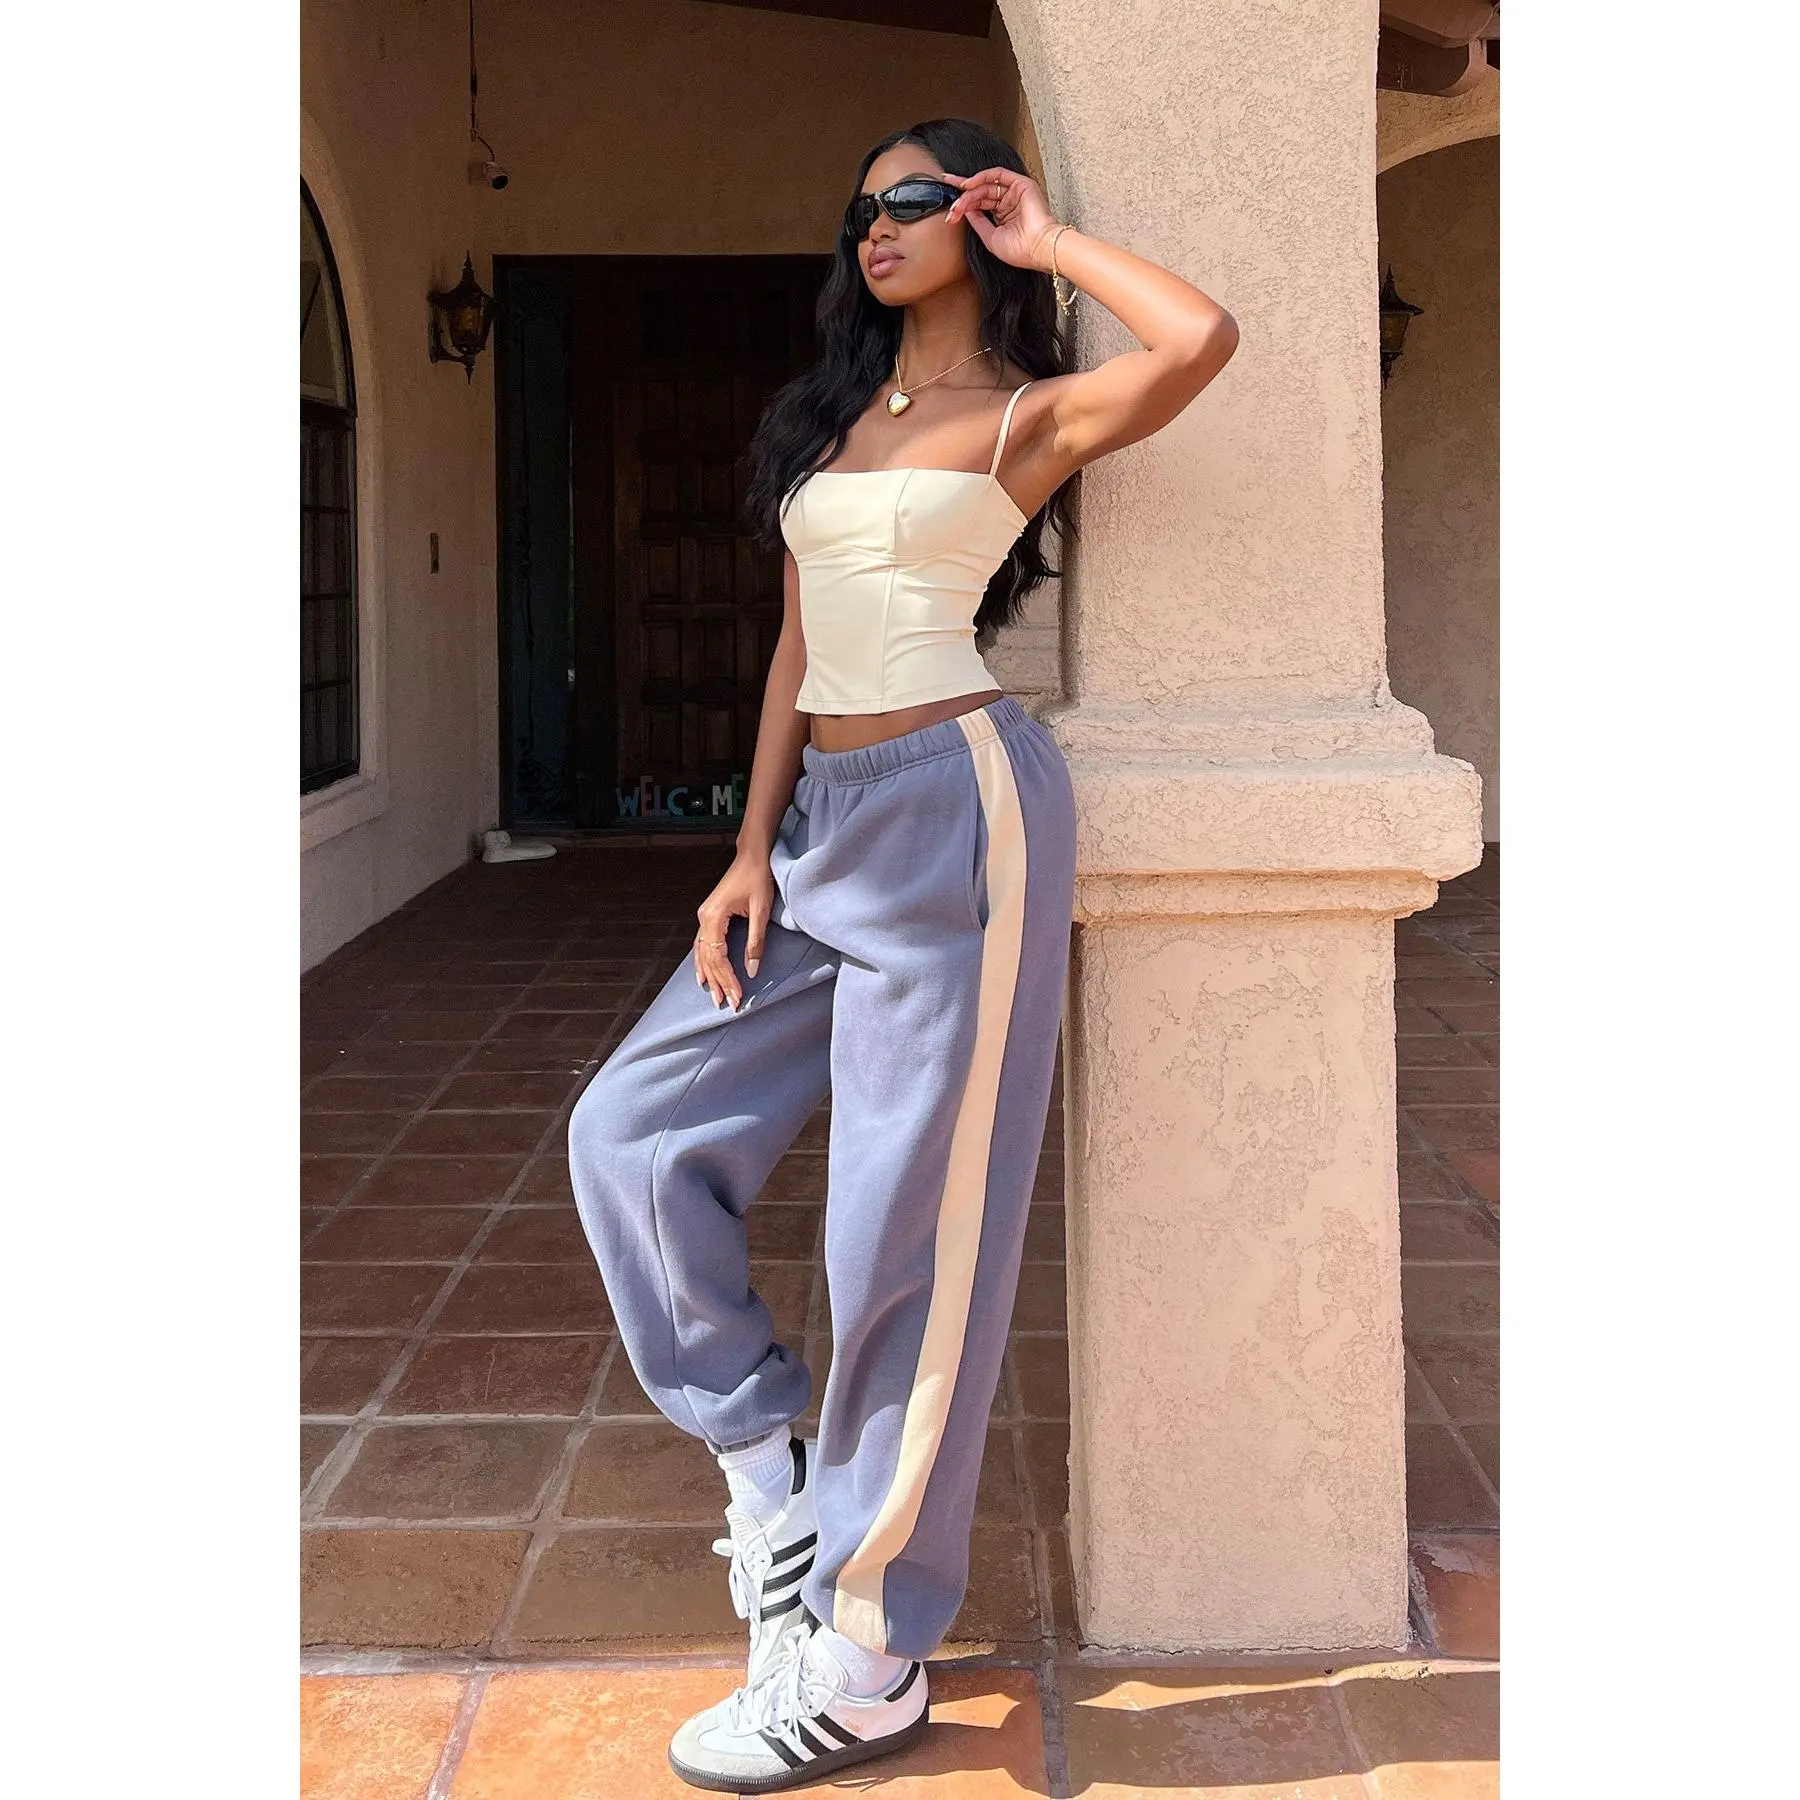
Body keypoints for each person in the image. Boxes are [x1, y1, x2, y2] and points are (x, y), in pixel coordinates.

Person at [567, 115, 1237, 1793]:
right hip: (822, 833)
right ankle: (768, 1466)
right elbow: (797, 650)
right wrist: (746, 852)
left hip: (962, 811)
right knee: (629, 1133)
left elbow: (1198, 340)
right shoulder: (834, 421)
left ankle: (869, 1657)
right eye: (864, 206)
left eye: (919, 199)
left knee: (905, 1238)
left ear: (977, 213)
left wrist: (1049, 239)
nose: (881, 225)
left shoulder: (1023, 416)